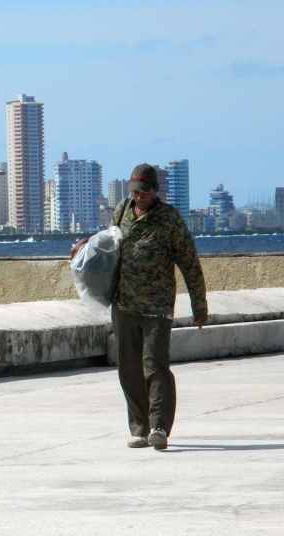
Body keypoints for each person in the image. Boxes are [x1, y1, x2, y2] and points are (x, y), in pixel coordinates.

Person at [71, 163, 207, 451]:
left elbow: (189, 262)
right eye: (135, 191)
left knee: (155, 366)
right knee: (129, 369)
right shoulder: (122, 209)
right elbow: (110, 240)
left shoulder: (170, 219)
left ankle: (158, 426)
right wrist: (87, 244)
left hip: (157, 307)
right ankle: (139, 427)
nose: (139, 197)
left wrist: (199, 303)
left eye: (144, 192)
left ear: (156, 190)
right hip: (124, 304)